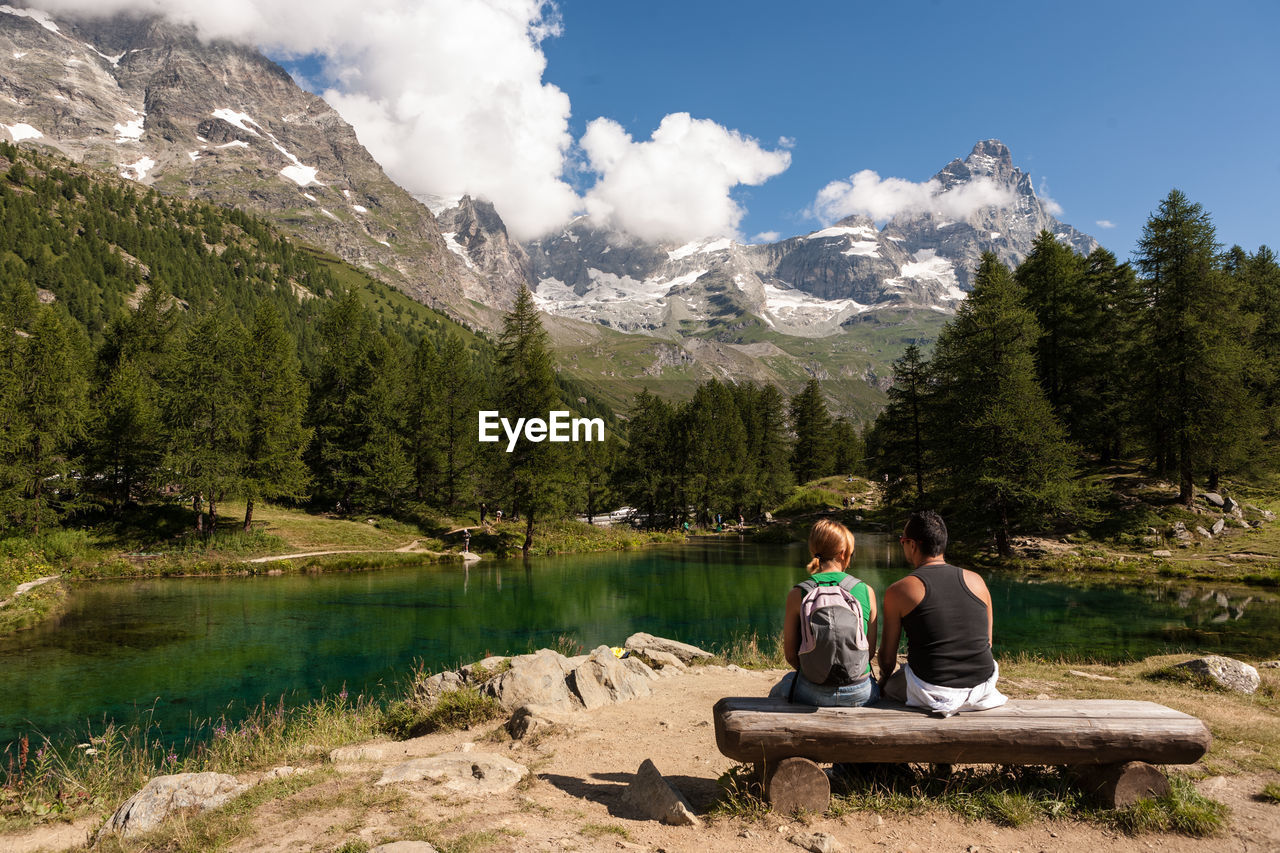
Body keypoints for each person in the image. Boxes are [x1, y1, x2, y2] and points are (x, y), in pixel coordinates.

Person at [878, 510, 1006, 716]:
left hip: (930, 687)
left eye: (902, 541)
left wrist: (883, 682)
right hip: (982, 686)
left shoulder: (900, 590)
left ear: (912, 544)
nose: (902, 545)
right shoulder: (977, 581)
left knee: (892, 686)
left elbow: (886, 660)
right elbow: (987, 642)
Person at [769, 519, 879, 707]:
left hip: (812, 692)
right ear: (843, 553)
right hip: (860, 692)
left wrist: (817, 675)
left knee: (780, 688)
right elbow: (868, 651)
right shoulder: (866, 590)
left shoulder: (798, 593)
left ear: (814, 552)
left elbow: (790, 655)